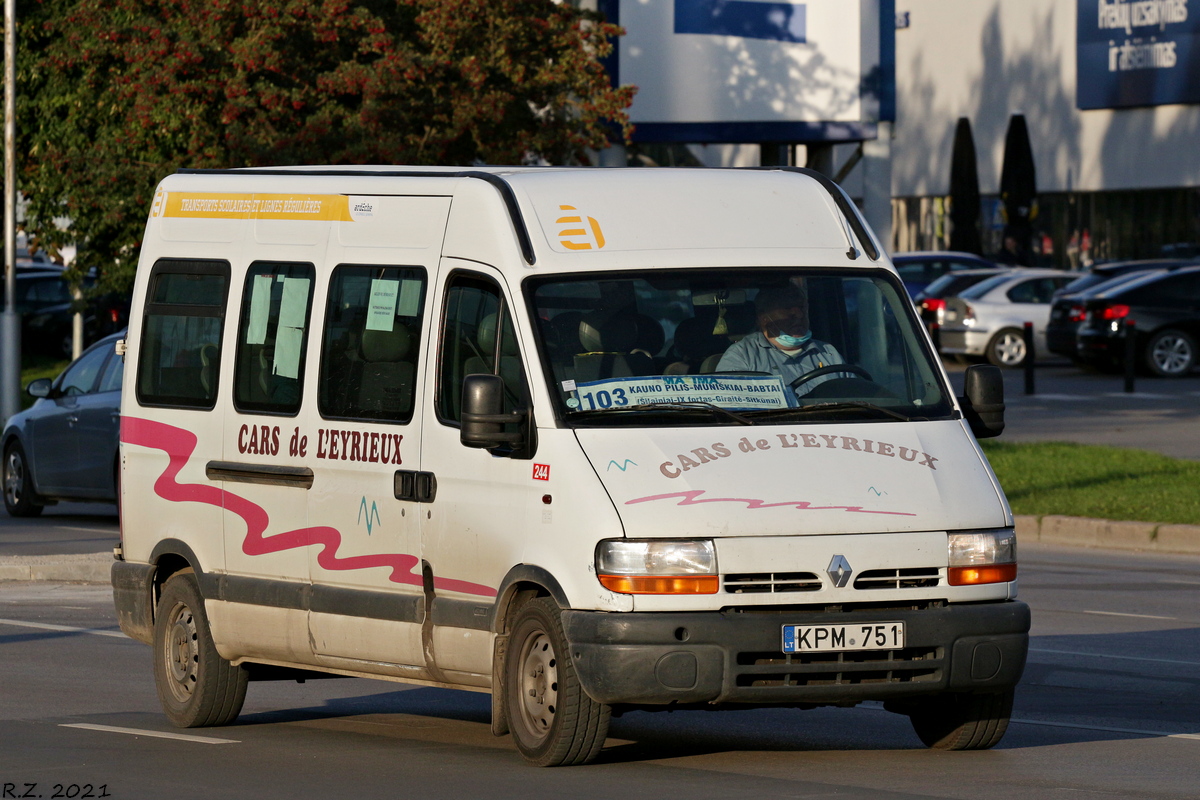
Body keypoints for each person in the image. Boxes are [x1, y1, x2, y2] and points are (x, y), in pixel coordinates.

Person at [715, 283, 844, 398]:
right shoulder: (742, 356)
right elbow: (730, 405)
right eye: (788, 309)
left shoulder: (828, 352)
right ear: (764, 318)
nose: (799, 315)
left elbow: (856, 396)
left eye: (802, 308)